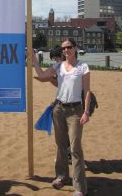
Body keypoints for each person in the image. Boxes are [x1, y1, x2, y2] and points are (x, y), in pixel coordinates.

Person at [33, 38, 91, 196]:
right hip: (58, 108)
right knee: (60, 145)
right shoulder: (58, 66)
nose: (66, 51)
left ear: (75, 48)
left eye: (69, 47)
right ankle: (62, 176)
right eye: (64, 48)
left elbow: (87, 92)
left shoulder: (83, 67)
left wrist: (86, 112)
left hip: (75, 110)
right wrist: (33, 59)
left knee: (75, 148)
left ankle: (79, 187)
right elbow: (42, 74)